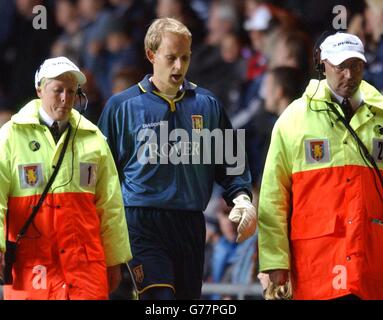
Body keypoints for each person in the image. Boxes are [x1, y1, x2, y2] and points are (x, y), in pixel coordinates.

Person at [98, 17, 256, 300]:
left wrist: (242, 197)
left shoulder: (208, 104)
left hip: (190, 224)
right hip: (141, 221)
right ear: (151, 55)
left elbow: (232, 162)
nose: (179, 66)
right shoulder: (121, 107)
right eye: (171, 57)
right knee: (160, 298)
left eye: (185, 58)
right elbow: (102, 176)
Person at [258, 32, 383, 300]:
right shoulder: (293, 119)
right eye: (341, 66)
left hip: (373, 264)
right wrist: (274, 261)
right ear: (322, 64)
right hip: (316, 265)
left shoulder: (381, 117)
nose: (349, 74)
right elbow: (273, 196)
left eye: (356, 65)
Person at [0, 56, 131, 300]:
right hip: (33, 267)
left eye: (71, 91)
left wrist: (115, 260)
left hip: (84, 269)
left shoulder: (94, 139)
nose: (65, 98)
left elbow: (110, 205)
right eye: (57, 90)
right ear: (39, 89)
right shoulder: (10, 137)